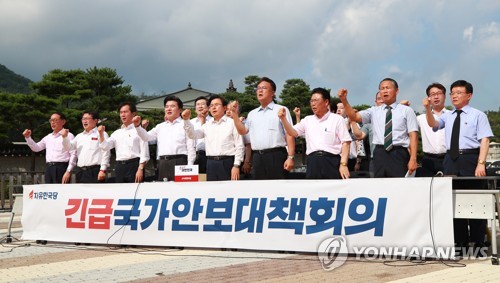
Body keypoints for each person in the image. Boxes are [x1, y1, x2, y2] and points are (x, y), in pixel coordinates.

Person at [423, 79, 493, 252]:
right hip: (451, 160)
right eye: (453, 93)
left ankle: (478, 242)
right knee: (453, 201)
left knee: (475, 201)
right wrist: (427, 109)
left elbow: (485, 139)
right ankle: (460, 242)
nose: (454, 96)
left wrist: (481, 163)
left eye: (459, 92)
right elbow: (433, 124)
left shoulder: (478, 115)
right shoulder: (448, 115)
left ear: (469, 95)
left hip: (470, 158)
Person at [338, 78, 418, 178]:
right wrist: (344, 100)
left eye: (388, 88)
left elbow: (413, 135)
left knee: (399, 186)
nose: (384, 91)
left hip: (399, 153)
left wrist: (413, 159)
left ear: (396, 91)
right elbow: (354, 117)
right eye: (382, 88)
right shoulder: (373, 111)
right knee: (379, 186)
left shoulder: (406, 111)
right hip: (379, 153)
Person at [278, 88, 351, 179]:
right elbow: (292, 132)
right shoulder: (308, 120)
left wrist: (343, 164)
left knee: (333, 192)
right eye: (311, 101)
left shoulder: (337, 119)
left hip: (332, 161)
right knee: (313, 192)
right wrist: (283, 119)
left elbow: (346, 142)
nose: (313, 103)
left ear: (326, 102)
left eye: (316, 100)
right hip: (313, 162)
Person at [230, 77, 295, 180]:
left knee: (279, 188)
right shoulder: (252, 114)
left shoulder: (281, 109)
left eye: (264, 88)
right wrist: (234, 114)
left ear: (272, 92)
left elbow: (289, 134)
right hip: (257, 157)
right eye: (258, 88)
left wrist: (290, 157)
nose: (260, 90)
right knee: (260, 189)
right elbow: (242, 131)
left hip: (276, 155)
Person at [182, 95, 244, 181]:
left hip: (227, 162)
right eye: (211, 106)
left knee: (229, 190)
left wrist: (236, 165)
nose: (213, 108)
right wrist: (186, 120)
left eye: (216, 105)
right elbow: (193, 135)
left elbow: (239, 145)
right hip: (211, 163)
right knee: (212, 190)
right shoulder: (207, 125)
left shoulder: (232, 123)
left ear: (224, 107)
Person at [134, 96, 195, 181]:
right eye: (166, 107)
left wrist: (190, 165)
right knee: (164, 191)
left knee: (181, 191)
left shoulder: (186, 124)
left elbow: (191, 146)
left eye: (172, 106)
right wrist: (137, 126)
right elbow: (146, 137)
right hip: (163, 163)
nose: (169, 109)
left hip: (180, 162)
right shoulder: (160, 126)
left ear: (180, 110)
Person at [98, 102, 149, 183]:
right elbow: (105, 147)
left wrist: (140, 168)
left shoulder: (139, 130)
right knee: (121, 192)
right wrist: (101, 134)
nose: (123, 115)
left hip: (134, 165)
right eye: (121, 112)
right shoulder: (117, 133)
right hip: (119, 166)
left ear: (133, 114)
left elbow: (144, 150)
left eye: (125, 112)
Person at [23, 112, 77, 184]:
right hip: (49, 168)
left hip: (61, 168)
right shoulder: (48, 137)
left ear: (63, 122)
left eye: (55, 120)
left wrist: (68, 171)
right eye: (51, 120)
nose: (52, 122)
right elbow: (36, 148)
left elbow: (73, 154)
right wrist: (28, 138)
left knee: (61, 192)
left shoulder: (69, 135)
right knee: (50, 192)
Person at [62, 111, 111, 183]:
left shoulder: (101, 133)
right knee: (81, 194)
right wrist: (65, 137)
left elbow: (106, 152)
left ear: (95, 120)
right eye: (83, 119)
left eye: (87, 118)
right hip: (80, 172)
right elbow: (68, 148)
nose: (84, 121)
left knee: (96, 194)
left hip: (95, 171)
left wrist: (103, 169)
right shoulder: (79, 136)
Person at [416, 83, 449, 177]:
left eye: (439, 93)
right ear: (428, 98)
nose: (436, 97)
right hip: (429, 159)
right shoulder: (420, 118)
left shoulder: (452, 115)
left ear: (445, 96)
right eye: (433, 94)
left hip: (448, 158)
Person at [191, 96, 212, 174]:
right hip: (194, 156)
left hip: (210, 156)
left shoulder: (213, 121)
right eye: (198, 104)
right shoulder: (190, 122)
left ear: (208, 107)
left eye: (203, 104)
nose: (200, 106)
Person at [336, 102, 359, 171]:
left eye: (341, 108)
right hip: (337, 159)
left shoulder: (353, 123)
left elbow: (358, 142)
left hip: (352, 160)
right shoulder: (331, 123)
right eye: (337, 108)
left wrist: (358, 161)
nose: (338, 110)